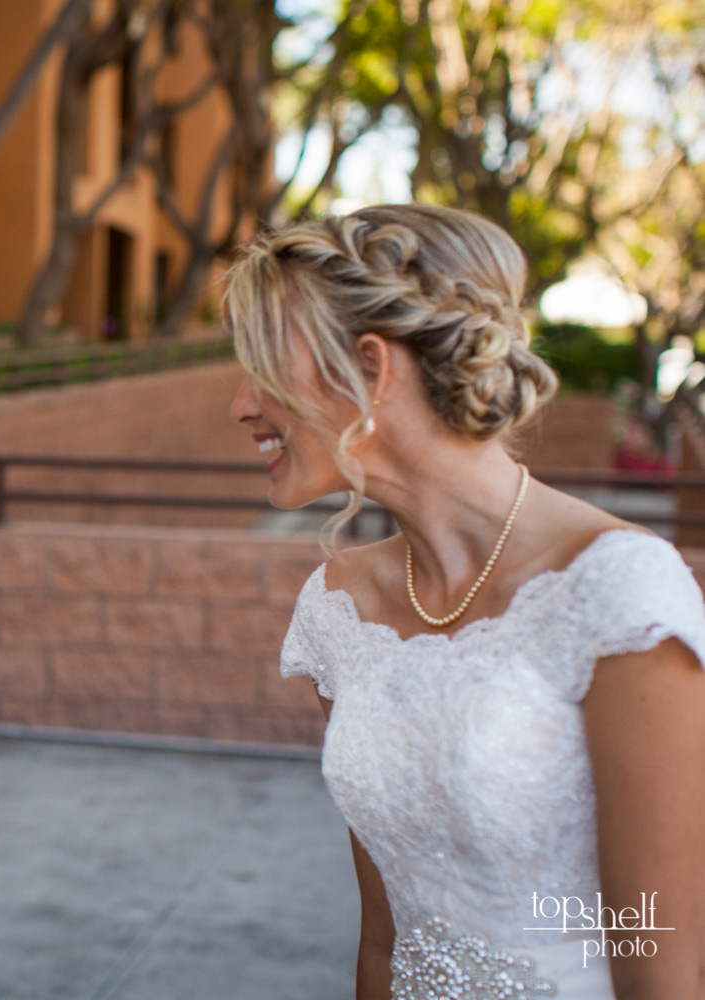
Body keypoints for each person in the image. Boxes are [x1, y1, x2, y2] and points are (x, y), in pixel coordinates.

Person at [225, 203, 705, 998]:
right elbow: (382, 936)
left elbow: (660, 959)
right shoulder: (340, 612)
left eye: (264, 366)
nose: (242, 404)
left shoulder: (618, 595)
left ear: (373, 369)